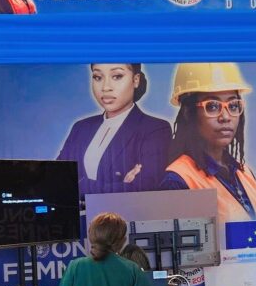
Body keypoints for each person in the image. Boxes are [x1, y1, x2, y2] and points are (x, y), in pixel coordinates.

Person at [160, 62, 256, 223]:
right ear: (188, 113)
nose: (225, 117)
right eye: (212, 106)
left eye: (233, 106)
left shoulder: (244, 173)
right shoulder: (178, 181)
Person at [57, 64, 172, 196]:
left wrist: (79, 185)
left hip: (124, 216)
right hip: (78, 215)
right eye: (98, 77)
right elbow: (56, 177)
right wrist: (119, 186)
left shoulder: (155, 129)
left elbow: (145, 189)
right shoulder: (81, 128)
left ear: (136, 80)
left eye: (117, 76)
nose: (105, 87)